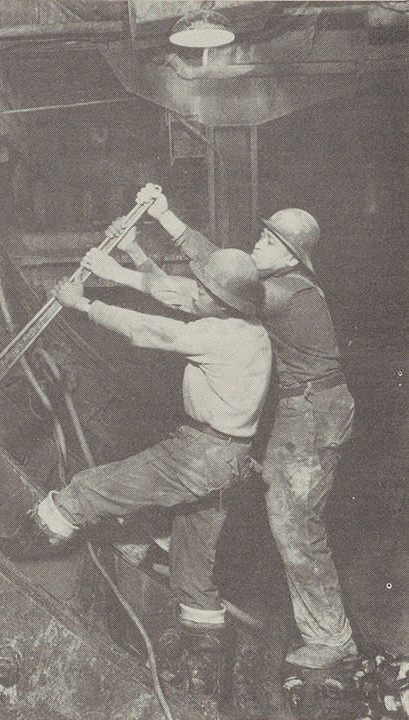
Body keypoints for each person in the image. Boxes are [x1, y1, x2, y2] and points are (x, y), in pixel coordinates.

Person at [0, 243, 271, 699]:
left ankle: (19, 550)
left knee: (86, 491)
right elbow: (175, 293)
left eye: (203, 289)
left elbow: (147, 330)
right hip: (230, 462)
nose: (193, 292)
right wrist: (125, 260)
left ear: (221, 302)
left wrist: (84, 304)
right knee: (194, 572)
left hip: (199, 455)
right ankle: (206, 684)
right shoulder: (249, 327)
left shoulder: (222, 335)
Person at [131, 183, 358, 670]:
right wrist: (167, 217)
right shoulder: (276, 284)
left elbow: (207, 289)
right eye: (263, 234)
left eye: (274, 243)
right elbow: (222, 268)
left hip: (314, 415)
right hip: (305, 409)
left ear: (295, 260)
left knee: (296, 526)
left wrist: (124, 271)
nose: (259, 245)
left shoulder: (285, 293)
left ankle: (332, 638)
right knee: (244, 480)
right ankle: (177, 543)